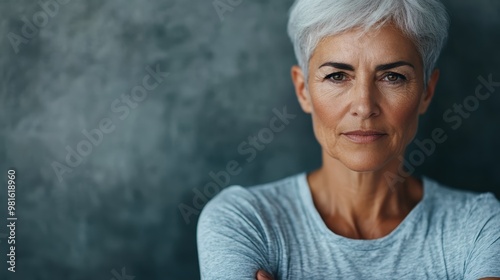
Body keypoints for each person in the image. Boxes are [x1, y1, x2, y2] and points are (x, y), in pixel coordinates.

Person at [197, 0, 500, 279]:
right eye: (337, 76)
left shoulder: (479, 226)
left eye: (392, 76)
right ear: (303, 90)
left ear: (426, 92)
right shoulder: (244, 222)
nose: (364, 106)